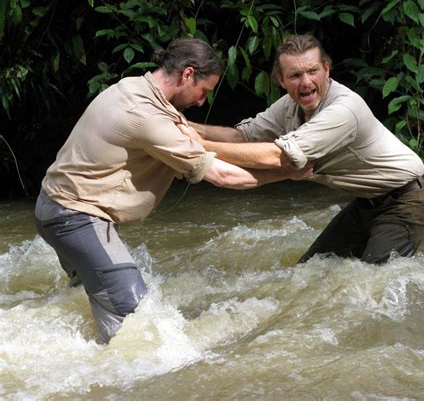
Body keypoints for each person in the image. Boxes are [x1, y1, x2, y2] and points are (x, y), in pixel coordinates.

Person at [34, 37, 310, 344]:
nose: (203, 102)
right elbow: (224, 177)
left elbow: (205, 137)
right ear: (188, 74)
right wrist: (288, 172)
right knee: (134, 328)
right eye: (205, 91)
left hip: (52, 209)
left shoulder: (134, 89)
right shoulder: (148, 116)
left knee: (89, 297)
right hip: (75, 218)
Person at [182, 33, 424, 265]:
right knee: (311, 270)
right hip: (366, 202)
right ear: (281, 80)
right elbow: (242, 136)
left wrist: (200, 145)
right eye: (295, 75)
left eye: (312, 71)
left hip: (406, 200)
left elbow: (277, 157)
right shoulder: (288, 106)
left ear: (326, 69)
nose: (306, 82)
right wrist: (188, 127)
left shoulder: (343, 109)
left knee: (373, 284)